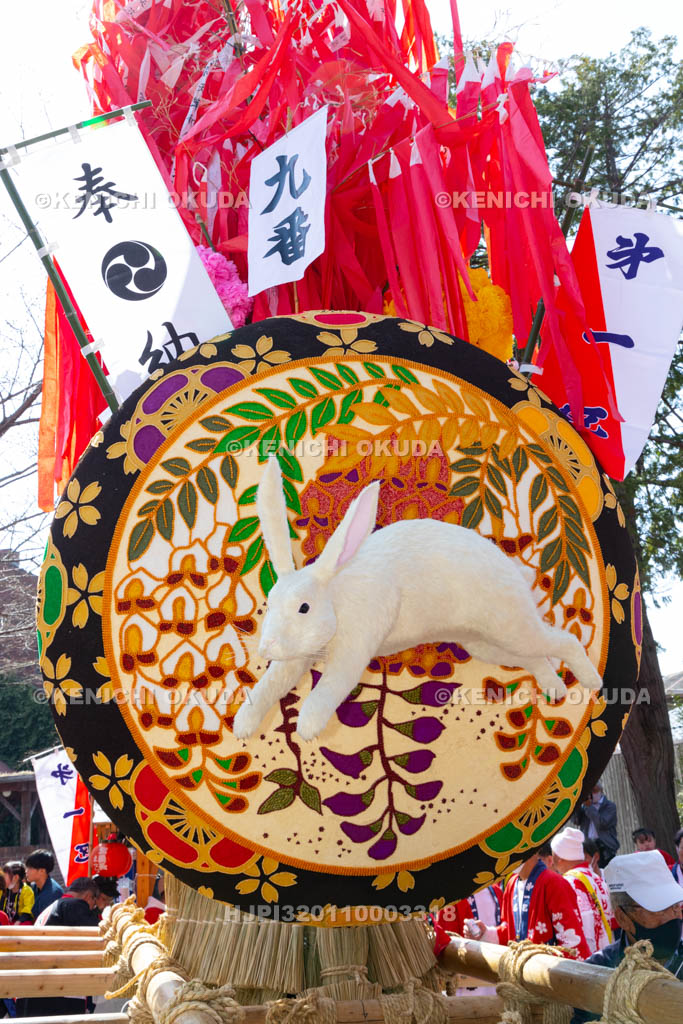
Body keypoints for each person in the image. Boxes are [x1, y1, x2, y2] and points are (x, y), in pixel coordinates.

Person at [570, 851, 683, 1023]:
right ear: (623, 918)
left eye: (675, 905)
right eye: (659, 909)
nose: (673, 916)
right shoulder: (598, 970)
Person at [464, 852, 591, 959]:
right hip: (522, 974)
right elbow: (510, 931)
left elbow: (571, 939)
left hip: (548, 974)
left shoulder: (554, 883)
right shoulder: (512, 883)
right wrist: (486, 933)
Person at [16, 877, 100, 1018]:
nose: (92, 908)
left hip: (34, 989)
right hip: (54, 992)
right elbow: (99, 933)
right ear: (88, 897)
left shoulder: (52, 907)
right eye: (93, 903)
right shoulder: (74, 904)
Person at [551, 826, 615, 953]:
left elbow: (586, 928)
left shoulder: (570, 883)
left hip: (591, 958)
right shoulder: (597, 878)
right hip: (608, 952)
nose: (552, 863)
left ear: (560, 858)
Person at [575, 781, 619, 868]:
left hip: (605, 846)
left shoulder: (610, 806)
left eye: (594, 791)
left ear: (601, 791)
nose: (592, 794)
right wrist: (577, 804)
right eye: (589, 791)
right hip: (588, 845)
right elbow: (576, 821)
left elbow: (602, 824)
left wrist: (589, 807)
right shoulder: (584, 806)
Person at [24, 850, 63, 919]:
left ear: (42, 871)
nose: (26, 871)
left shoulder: (53, 893)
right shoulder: (33, 886)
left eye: (30, 868)